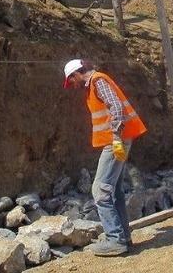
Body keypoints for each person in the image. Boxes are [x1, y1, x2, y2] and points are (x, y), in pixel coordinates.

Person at [63, 59, 147, 257]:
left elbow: (116, 107)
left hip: (116, 141)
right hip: (118, 140)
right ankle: (123, 237)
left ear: (76, 74)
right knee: (114, 189)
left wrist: (116, 136)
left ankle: (115, 239)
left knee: (100, 190)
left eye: (71, 80)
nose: (73, 85)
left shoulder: (97, 81)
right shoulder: (96, 83)